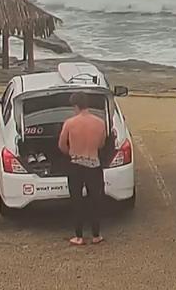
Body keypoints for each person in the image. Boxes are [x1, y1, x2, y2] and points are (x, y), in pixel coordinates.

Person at [58, 92, 108, 246]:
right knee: (95, 201)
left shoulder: (70, 123)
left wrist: (71, 152)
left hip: (75, 164)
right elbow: (101, 144)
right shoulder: (100, 123)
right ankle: (96, 235)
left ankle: (78, 236)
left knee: (77, 201)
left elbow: (61, 145)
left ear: (75, 106)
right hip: (94, 164)